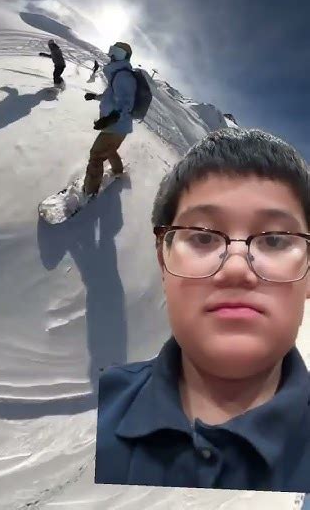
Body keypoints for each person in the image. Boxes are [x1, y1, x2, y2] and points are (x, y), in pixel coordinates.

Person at [95, 127, 310, 492]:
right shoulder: (93, 409)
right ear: (163, 261)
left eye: (275, 240)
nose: (236, 269)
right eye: (203, 237)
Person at [83, 42, 137, 197]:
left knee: (96, 155)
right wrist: (95, 97)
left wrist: (113, 117)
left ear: (125, 58)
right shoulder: (117, 75)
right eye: (113, 51)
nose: (113, 55)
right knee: (110, 149)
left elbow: (127, 103)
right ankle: (118, 171)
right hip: (118, 126)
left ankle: (90, 191)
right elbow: (110, 97)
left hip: (116, 125)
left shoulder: (123, 76)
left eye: (118, 53)